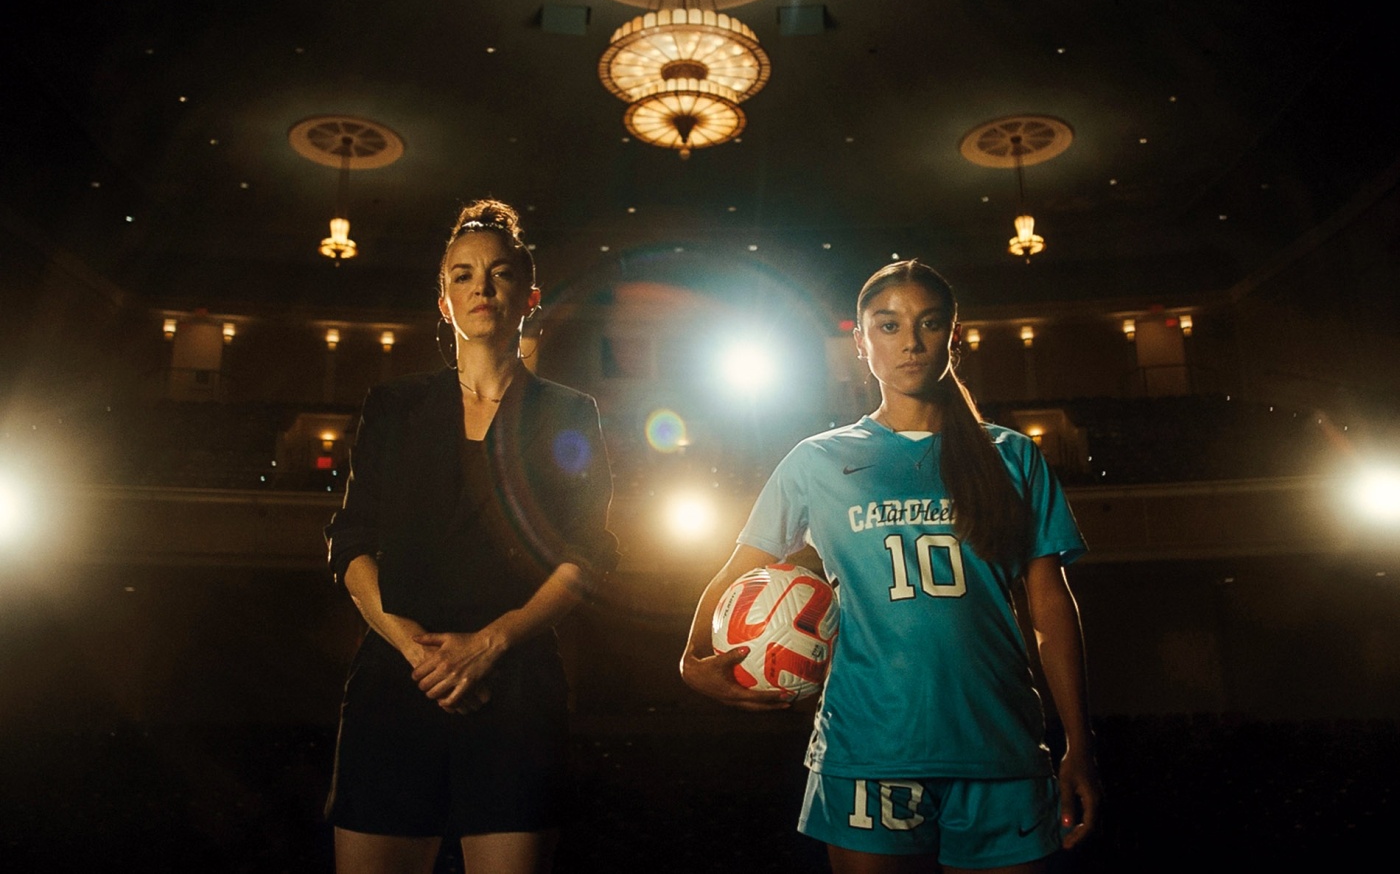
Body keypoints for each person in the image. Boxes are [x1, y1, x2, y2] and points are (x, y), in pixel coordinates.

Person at [680, 260, 1100, 873]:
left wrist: (1079, 746)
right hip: (868, 749)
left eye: (929, 324)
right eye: (889, 325)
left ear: (954, 336)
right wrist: (690, 660)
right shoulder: (817, 461)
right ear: (861, 342)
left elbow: (1050, 608)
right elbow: (740, 571)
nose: (911, 341)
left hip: (1000, 746)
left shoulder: (1011, 456)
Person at [323, 199, 618, 874]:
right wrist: (410, 646)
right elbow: (351, 539)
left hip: (514, 688)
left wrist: (492, 643)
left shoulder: (569, 413)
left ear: (528, 295)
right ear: (443, 300)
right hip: (397, 682)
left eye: (499, 272)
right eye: (463, 274)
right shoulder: (392, 407)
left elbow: (587, 552)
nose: (481, 287)